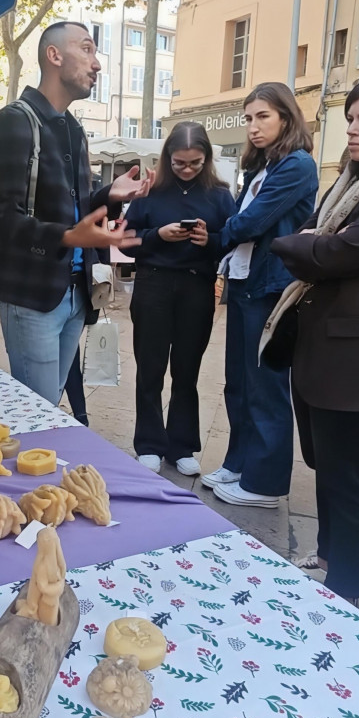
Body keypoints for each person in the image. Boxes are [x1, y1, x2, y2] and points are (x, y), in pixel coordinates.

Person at [272, 70, 359, 604]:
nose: (352, 129)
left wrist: (295, 244)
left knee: (351, 484)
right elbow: (321, 239)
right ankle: (330, 560)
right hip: (324, 354)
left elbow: (335, 253)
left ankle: (347, 592)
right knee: (327, 472)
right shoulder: (353, 181)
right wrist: (310, 242)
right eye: (350, 118)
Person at [0, 20, 150, 405]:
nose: (97, 63)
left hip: (76, 293)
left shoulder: (73, 129)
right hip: (32, 293)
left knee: (49, 404)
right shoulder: (11, 122)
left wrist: (110, 196)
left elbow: (73, 210)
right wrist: (68, 237)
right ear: (53, 56)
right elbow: (1, 220)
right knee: (36, 408)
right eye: (86, 49)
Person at [199, 82, 317, 507]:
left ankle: (265, 484)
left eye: (263, 116)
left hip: (273, 288)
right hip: (246, 283)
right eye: (248, 118)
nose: (252, 126)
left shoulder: (298, 165)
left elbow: (250, 222)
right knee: (239, 383)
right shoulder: (262, 166)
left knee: (266, 386)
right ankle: (239, 463)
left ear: (286, 116)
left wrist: (209, 240)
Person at [125, 122, 236, 477]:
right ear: (167, 158)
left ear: (207, 159)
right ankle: (149, 444)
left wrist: (211, 241)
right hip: (153, 284)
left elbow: (233, 239)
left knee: (187, 371)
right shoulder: (150, 192)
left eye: (195, 163)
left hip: (195, 286)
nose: (187, 170)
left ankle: (181, 445)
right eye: (179, 163)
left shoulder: (219, 194)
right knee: (150, 367)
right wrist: (158, 234)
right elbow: (127, 238)